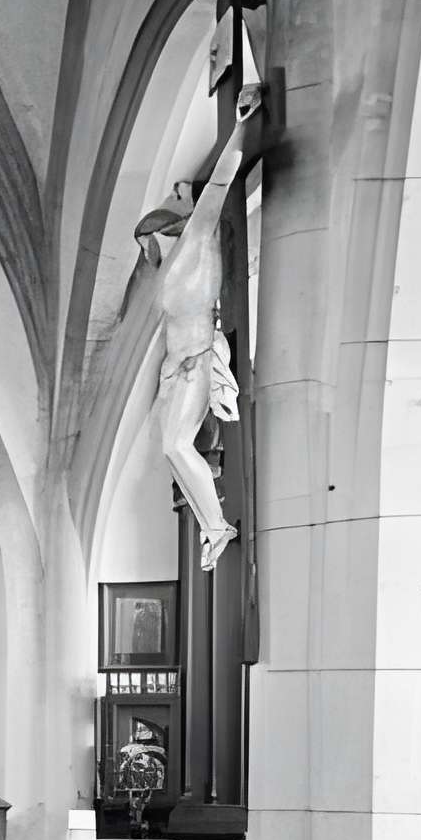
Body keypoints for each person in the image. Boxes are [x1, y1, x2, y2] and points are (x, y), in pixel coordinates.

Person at [136, 82, 264, 572]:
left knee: (176, 444)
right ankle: (211, 525)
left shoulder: (195, 244)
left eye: (149, 237)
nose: (148, 247)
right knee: (171, 449)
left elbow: (217, 189)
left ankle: (217, 528)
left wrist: (241, 127)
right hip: (176, 367)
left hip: (195, 361)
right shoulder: (169, 272)